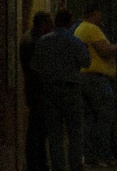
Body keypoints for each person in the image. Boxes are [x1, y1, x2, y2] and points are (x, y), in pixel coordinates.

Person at [28, 13, 95, 171]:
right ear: (69, 23)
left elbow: (35, 66)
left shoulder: (43, 41)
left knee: (54, 133)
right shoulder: (75, 41)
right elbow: (86, 62)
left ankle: (58, 166)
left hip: (50, 90)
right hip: (72, 89)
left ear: (56, 22)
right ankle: (75, 165)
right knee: (75, 132)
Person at [76, 6, 117, 167]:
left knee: (88, 120)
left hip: (83, 77)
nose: (100, 18)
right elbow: (104, 50)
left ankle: (89, 156)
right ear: (94, 14)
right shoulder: (92, 29)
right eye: (99, 14)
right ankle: (104, 156)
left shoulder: (79, 29)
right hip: (97, 79)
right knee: (105, 116)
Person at [23, 12, 55, 171]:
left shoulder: (31, 38)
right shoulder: (34, 42)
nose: (51, 28)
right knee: (38, 130)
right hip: (37, 91)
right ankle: (36, 164)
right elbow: (36, 70)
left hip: (35, 90)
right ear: (42, 24)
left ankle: (38, 163)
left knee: (38, 130)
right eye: (49, 24)